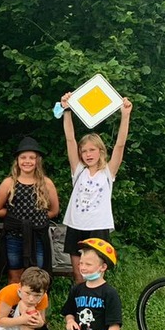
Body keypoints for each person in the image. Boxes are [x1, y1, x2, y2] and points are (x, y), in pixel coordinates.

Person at [61, 94, 133, 283]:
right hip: (76, 226)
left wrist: (125, 115)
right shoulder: (78, 170)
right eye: (84, 151)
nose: (87, 154)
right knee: (79, 274)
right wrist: (67, 110)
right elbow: (70, 139)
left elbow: (120, 144)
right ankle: (78, 309)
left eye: (92, 150)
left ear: (101, 151)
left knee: (96, 274)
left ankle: (97, 309)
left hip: (98, 227)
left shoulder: (108, 172)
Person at [40, 239, 122, 330]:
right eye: (81, 263)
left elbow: (115, 325)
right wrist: (70, 321)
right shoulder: (77, 289)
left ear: (103, 267)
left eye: (88, 264)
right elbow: (69, 312)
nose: (83, 267)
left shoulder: (109, 293)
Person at [0, 137, 60, 284]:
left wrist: (36, 218)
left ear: (37, 161)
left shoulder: (46, 183)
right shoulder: (9, 183)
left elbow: (54, 210)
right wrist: (16, 218)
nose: (27, 161)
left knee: (39, 276)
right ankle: (14, 306)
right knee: (14, 276)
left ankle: (37, 306)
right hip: (14, 236)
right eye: (23, 157)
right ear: (17, 160)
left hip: (38, 237)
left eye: (31, 158)